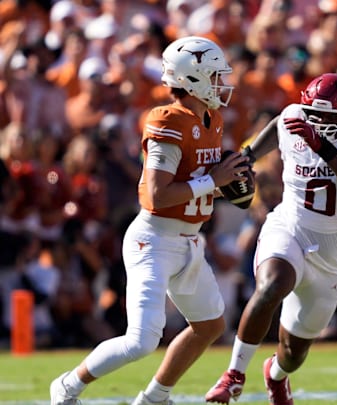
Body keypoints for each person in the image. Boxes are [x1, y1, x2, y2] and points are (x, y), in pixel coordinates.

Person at [50, 36, 250, 405]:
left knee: (209, 326)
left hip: (190, 239)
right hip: (155, 240)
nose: (223, 84)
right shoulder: (167, 119)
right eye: (216, 76)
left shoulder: (212, 118)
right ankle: (67, 386)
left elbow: (195, 184)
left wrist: (227, 186)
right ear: (194, 78)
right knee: (141, 341)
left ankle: (155, 397)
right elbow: (157, 196)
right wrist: (214, 181)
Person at [204, 72, 337, 405]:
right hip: (290, 225)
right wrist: (247, 155)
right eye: (313, 115)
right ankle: (233, 374)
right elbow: (279, 125)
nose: (317, 123)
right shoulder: (294, 117)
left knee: (294, 351)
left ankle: (275, 375)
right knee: (273, 284)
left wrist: (324, 148)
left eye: (328, 118)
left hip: (333, 250)